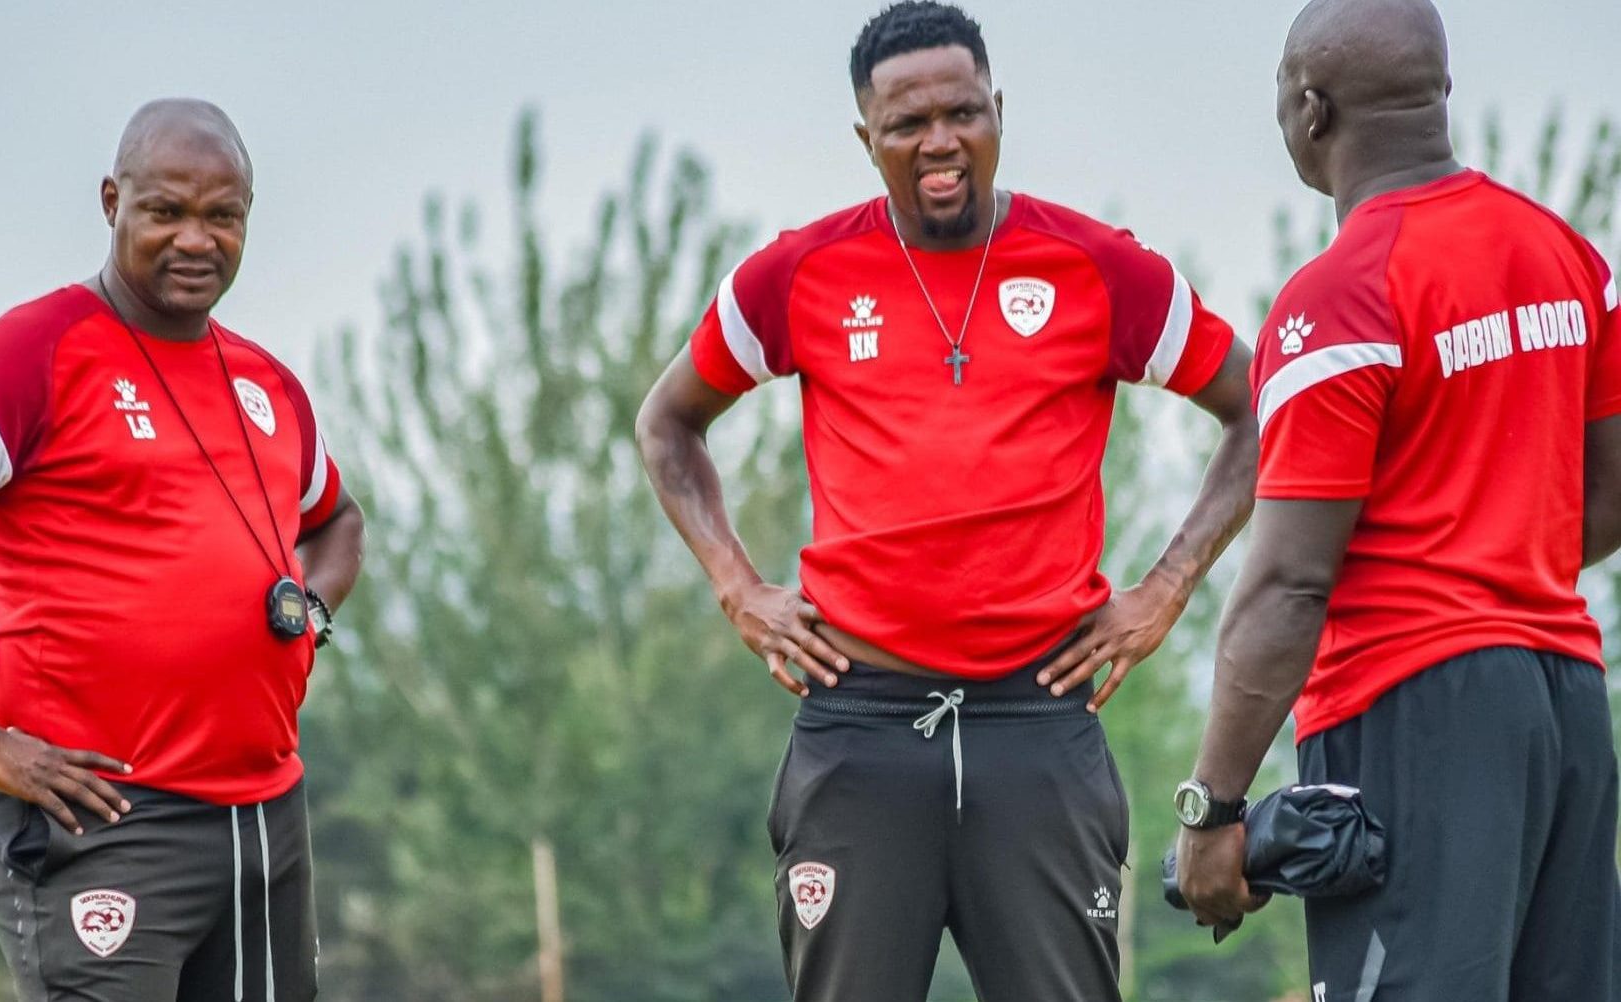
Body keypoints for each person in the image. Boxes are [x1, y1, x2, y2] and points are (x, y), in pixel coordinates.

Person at [634, 3, 1256, 998]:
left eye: (962, 113)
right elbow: (666, 424)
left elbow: (1258, 407)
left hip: (1038, 723)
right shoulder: (800, 273)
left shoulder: (1097, 267)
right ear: (864, 138)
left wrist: (1168, 586)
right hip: (861, 729)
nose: (940, 143)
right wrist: (738, 589)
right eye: (906, 124)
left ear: (998, 109)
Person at [0, 99, 364, 1002]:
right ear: (113, 201)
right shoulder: (32, 352)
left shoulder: (268, 382)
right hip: (105, 821)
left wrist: (305, 617)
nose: (196, 239)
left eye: (222, 216)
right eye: (166, 211)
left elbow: (337, 522)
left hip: (263, 819)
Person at [1175, 1, 1621, 998]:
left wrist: (1211, 813)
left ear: (1309, 110)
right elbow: (1609, 497)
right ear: (1441, 93)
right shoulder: (1564, 254)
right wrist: (1500, 572)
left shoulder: (1339, 297)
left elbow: (1289, 585)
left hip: (1416, 710)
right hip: (1568, 705)